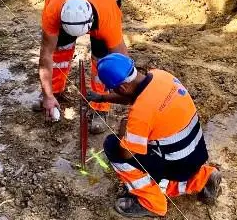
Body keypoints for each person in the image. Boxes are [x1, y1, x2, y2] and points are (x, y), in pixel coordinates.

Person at [94, 53, 222, 218]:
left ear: (122, 88)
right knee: (157, 144)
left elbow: (126, 153)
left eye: (113, 89)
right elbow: (134, 96)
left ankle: (152, 203)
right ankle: (205, 177)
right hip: (197, 154)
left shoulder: (140, 113)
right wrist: (102, 98)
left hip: (178, 166)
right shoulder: (161, 76)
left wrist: (123, 129)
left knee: (112, 146)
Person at [36, 0, 127, 133]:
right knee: (60, 48)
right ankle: (53, 93)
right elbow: (45, 56)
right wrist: (47, 94)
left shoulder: (108, 17)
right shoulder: (52, 10)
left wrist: (132, 94)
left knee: (104, 57)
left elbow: (122, 59)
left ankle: (100, 108)